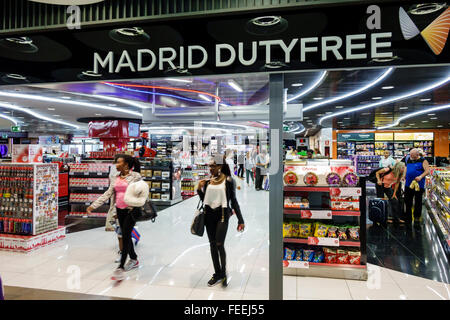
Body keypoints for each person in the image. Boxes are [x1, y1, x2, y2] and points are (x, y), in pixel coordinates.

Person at [87, 154, 148, 281]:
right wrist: (93, 206)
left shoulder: (136, 176)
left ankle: (120, 267)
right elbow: (108, 193)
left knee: (125, 235)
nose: (116, 164)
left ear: (126, 164)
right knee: (125, 235)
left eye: (118, 162)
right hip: (119, 210)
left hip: (132, 210)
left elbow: (142, 192)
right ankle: (134, 258)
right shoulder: (114, 177)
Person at [197, 155, 245, 287]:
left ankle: (223, 273)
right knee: (212, 245)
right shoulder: (208, 182)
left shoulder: (229, 180)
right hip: (208, 216)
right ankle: (217, 273)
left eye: (213, 165)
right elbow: (204, 200)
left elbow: (233, 201)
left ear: (220, 166)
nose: (210, 168)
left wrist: (241, 220)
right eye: (210, 166)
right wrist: (198, 189)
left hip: (223, 215)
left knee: (219, 244)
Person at [402, 148, 430, 223]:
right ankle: (408, 216)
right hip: (408, 183)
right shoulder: (409, 159)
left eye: (412, 155)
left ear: (417, 154)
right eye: (410, 154)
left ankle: (417, 216)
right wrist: (404, 175)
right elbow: (406, 167)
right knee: (407, 200)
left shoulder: (423, 160)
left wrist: (420, 176)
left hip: (418, 184)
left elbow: (427, 171)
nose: (410, 156)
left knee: (418, 200)